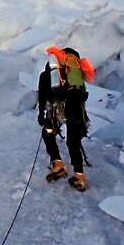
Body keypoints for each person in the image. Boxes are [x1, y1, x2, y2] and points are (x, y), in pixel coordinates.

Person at [37, 45, 94, 191]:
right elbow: (79, 92)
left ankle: (58, 165)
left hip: (56, 106)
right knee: (73, 141)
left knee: (48, 133)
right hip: (73, 107)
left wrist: (41, 111)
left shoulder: (53, 69)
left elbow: (43, 90)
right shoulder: (74, 70)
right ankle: (78, 176)